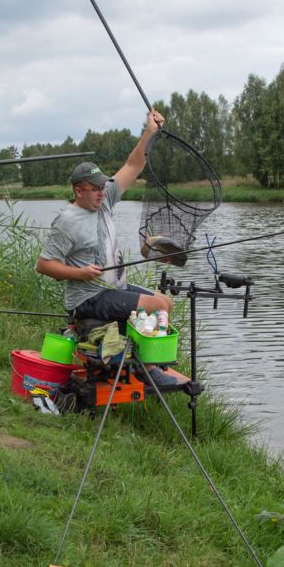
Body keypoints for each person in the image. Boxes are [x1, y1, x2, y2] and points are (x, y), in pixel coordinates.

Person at [37, 109, 177, 383]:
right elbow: (44, 265)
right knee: (152, 305)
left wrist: (150, 132)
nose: (102, 192)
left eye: (103, 187)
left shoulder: (105, 201)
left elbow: (133, 165)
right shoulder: (67, 221)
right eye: (95, 188)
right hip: (89, 298)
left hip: (113, 288)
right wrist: (81, 273)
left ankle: (146, 362)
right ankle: (148, 372)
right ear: (79, 191)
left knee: (165, 303)